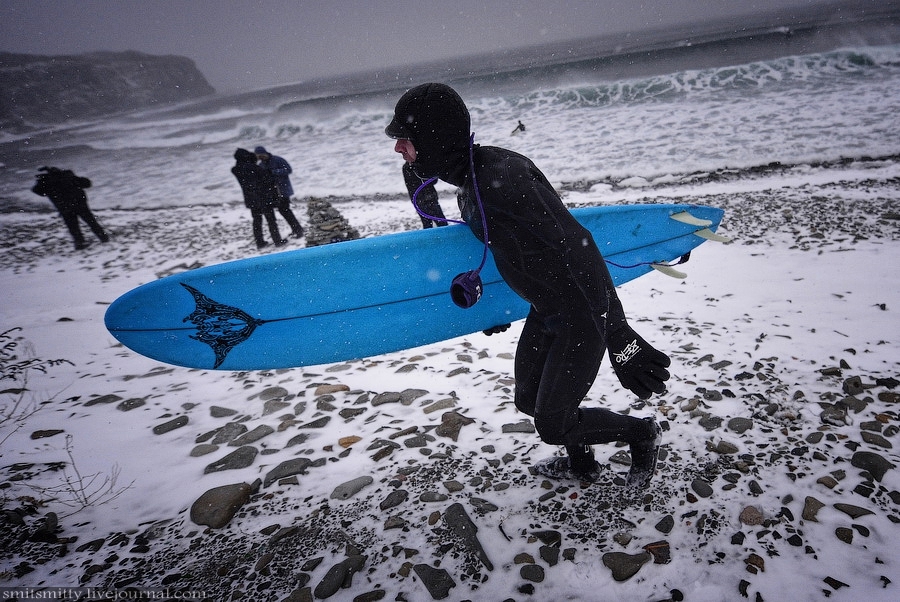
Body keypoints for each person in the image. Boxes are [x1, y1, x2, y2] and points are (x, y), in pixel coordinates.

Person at [385, 83, 671, 488]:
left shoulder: (502, 177)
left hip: (582, 314)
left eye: (405, 138)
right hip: (546, 310)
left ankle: (643, 433)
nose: (399, 148)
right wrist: (494, 308)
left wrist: (619, 334)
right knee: (528, 401)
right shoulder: (471, 182)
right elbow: (514, 253)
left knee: (552, 425)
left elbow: (579, 247)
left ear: (433, 139)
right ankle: (583, 462)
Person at [31, 166, 109, 250]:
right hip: (80, 205)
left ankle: (80, 243)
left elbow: (37, 191)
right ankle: (103, 238)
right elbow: (87, 183)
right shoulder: (69, 177)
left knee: (73, 227)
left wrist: (42, 181)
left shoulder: (47, 182)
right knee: (91, 222)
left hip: (65, 208)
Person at [231, 148, 286, 249]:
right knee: (271, 220)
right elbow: (267, 179)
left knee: (257, 220)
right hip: (263, 197)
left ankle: (259, 242)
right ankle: (277, 240)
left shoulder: (236, 170)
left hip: (250, 199)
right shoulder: (254, 168)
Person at [254, 146, 303, 238]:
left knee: (285, 211)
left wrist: (274, 172)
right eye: (259, 157)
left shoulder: (278, 160)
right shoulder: (261, 165)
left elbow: (288, 170)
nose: (261, 158)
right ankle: (296, 229)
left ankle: (298, 230)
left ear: (265, 153)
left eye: (261, 156)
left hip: (283, 190)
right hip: (273, 192)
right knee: (283, 211)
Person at [403, 162, 447, 228]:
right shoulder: (420, 165)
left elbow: (411, 185)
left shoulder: (406, 167)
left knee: (427, 224)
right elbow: (433, 181)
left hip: (418, 200)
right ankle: (444, 237)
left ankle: (432, 237)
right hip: (428, 198)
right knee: (442, 223)